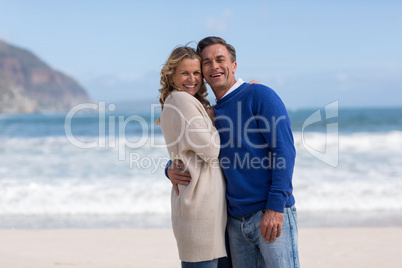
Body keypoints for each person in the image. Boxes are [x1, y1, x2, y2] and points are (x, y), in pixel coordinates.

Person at [166, 37, 299, 268]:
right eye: (207, 63)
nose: (214, 66)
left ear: (234, 65)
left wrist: (276, 208)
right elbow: (192, 151)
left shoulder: (260, 95)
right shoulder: (210, 112)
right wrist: (169, 170)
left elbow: (285, 152)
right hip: (234, 223)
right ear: (204, 73)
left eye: (220, 59)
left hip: (268, 213)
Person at [156, 46, 227, 268]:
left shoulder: (180, 101)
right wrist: (213, 122)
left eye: (196, 73)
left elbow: (183, 152)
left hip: (200, 207)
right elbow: (211, 150)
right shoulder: (182, 101)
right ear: (172, 75)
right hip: (199, 210)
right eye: (185, 73)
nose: (192, 79)